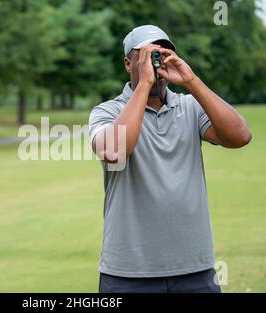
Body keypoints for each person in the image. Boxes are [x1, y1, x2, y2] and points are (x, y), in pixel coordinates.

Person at [89, 25, 252, 293]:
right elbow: (114, 150)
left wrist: (191, 81)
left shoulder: (189, 107)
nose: (156, 63)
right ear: (128, 63)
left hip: (195, 268)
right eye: (147, 55)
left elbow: (240, 136)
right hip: (129, 272)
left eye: (162, 54)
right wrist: (144, 85)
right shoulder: (107, 111)